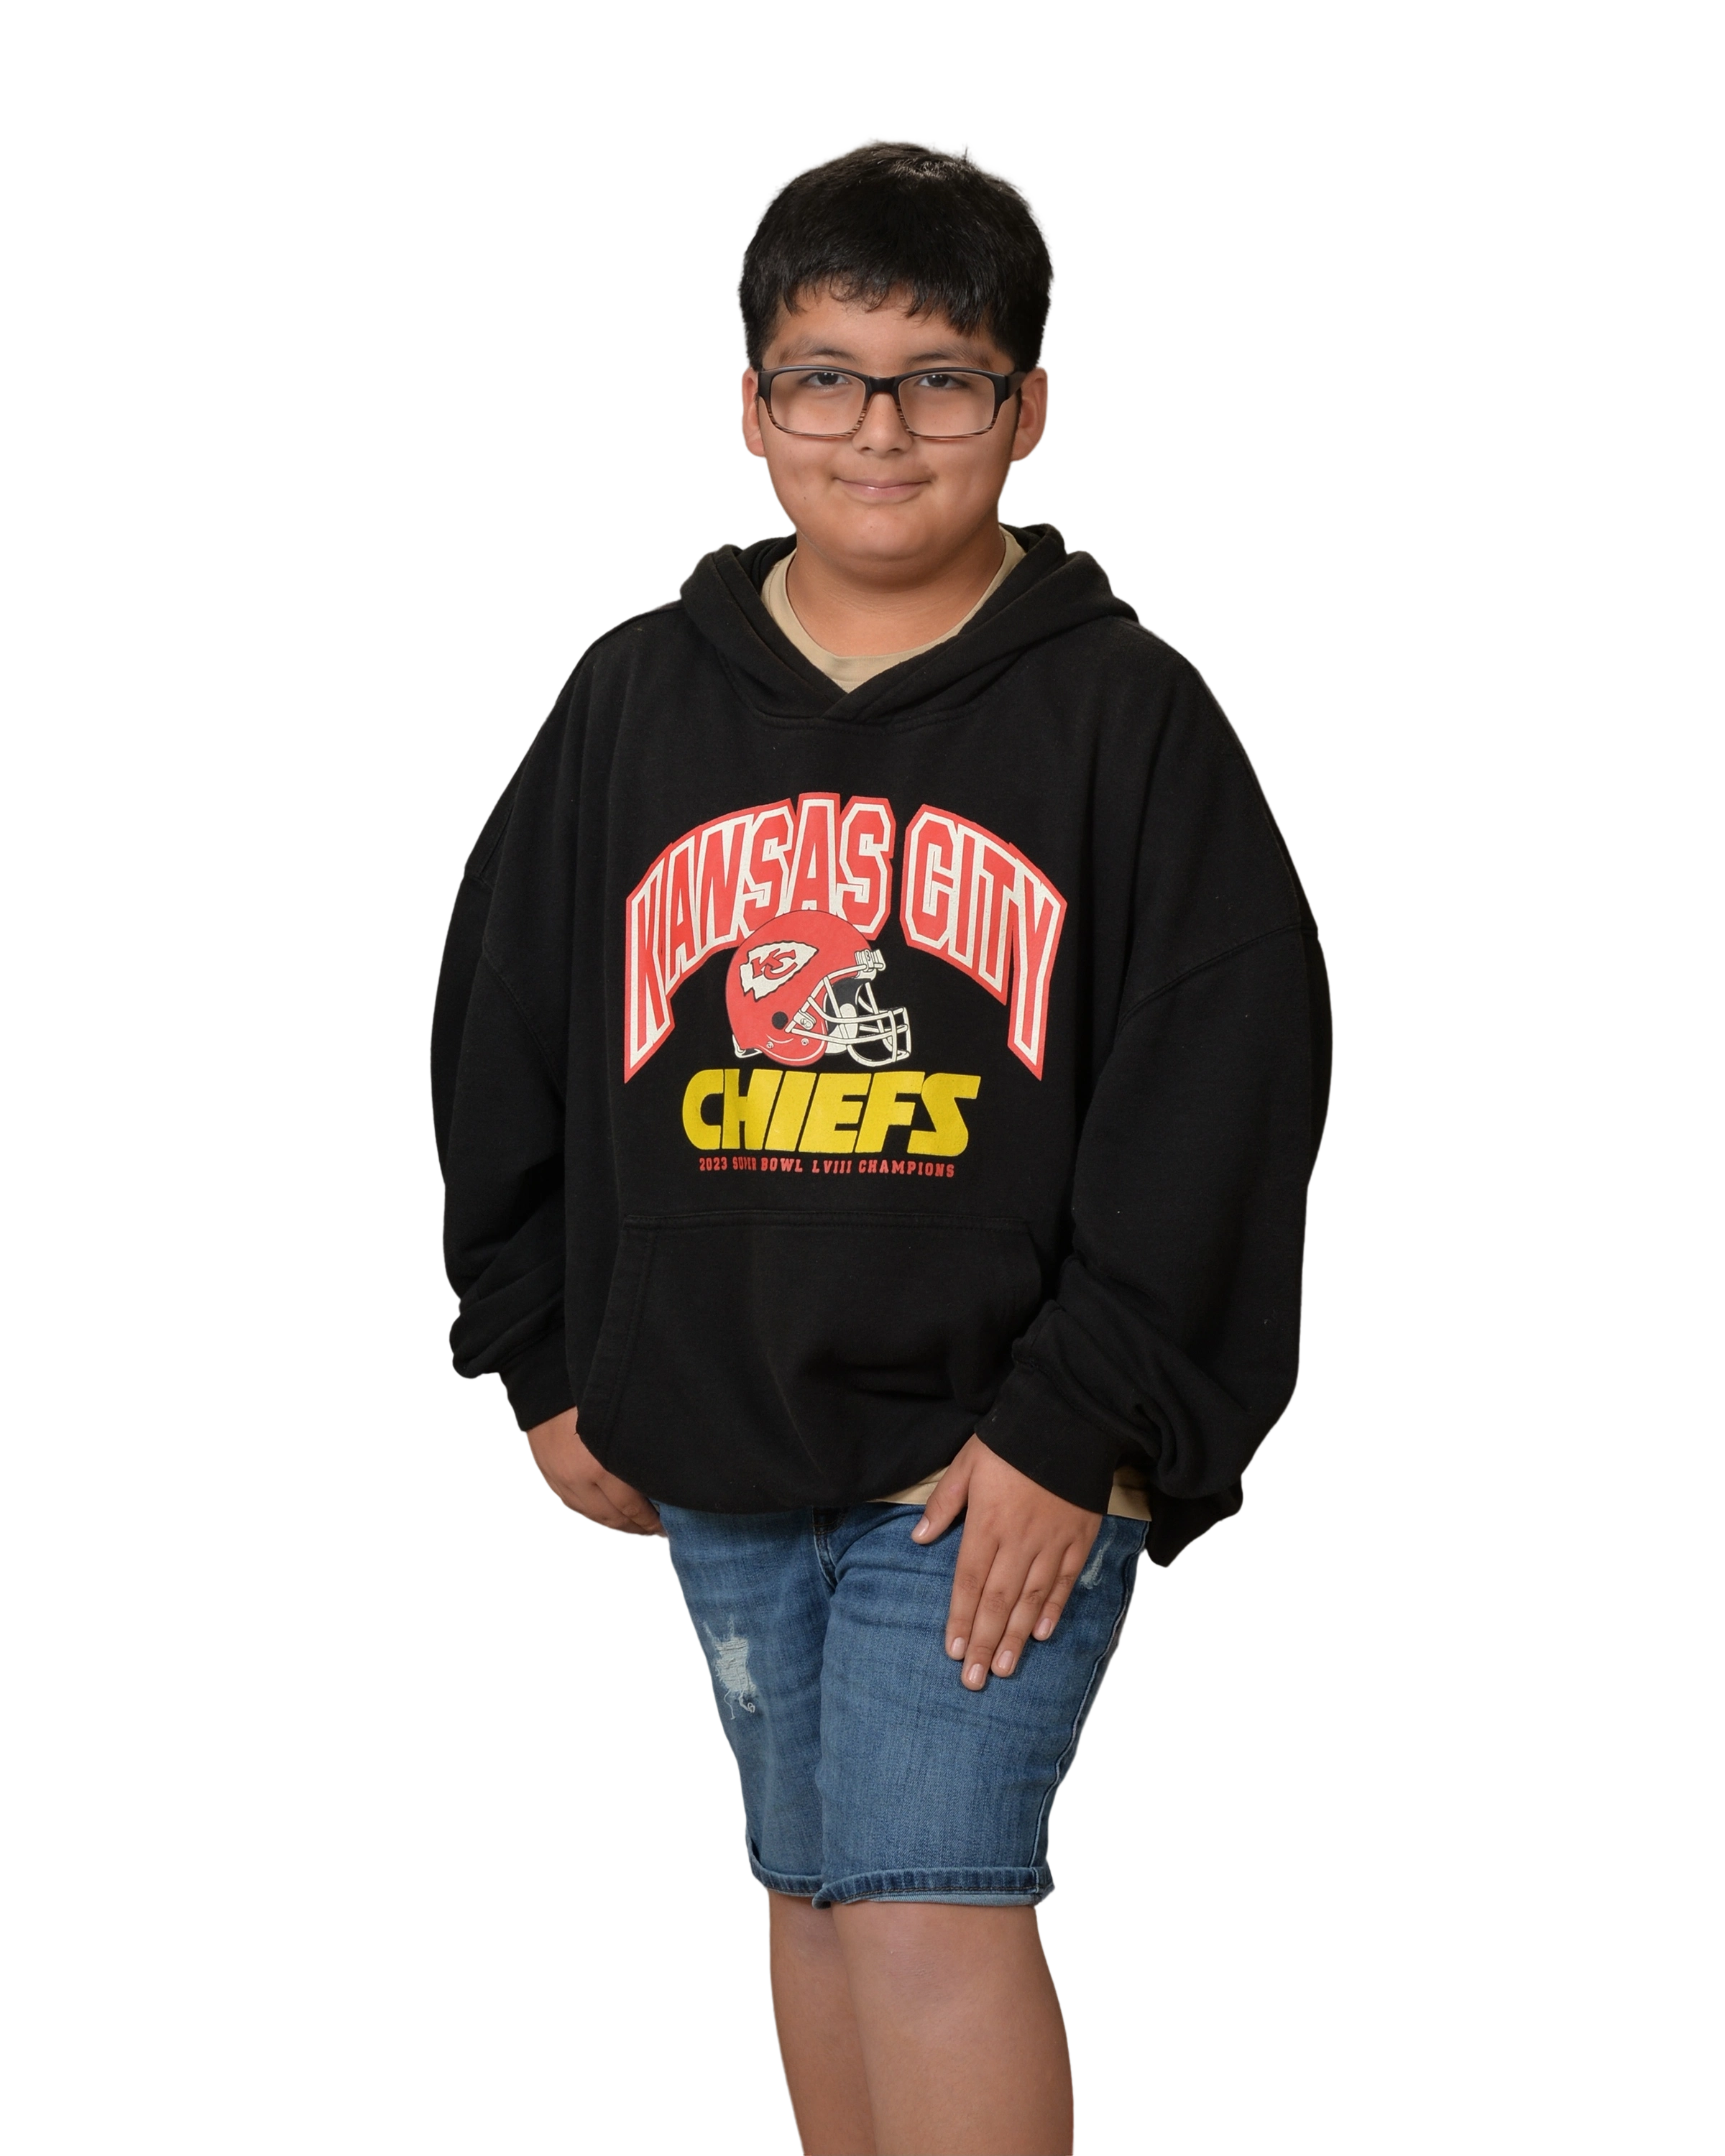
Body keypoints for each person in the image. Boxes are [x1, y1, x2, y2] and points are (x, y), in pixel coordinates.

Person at [429, 134, 1332, 2156]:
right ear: (753, 406)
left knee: (930, 1902)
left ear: (1028, 408)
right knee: (823, 1893)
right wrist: (543, 1352)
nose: (882, 430)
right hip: (720, 1437)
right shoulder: (634, 702)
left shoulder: (1129, 717)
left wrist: (1078, 1421)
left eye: (942, 379)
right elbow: (503, 1027)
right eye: (828, 377)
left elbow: (1224, 1096)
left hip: (991, 1460)